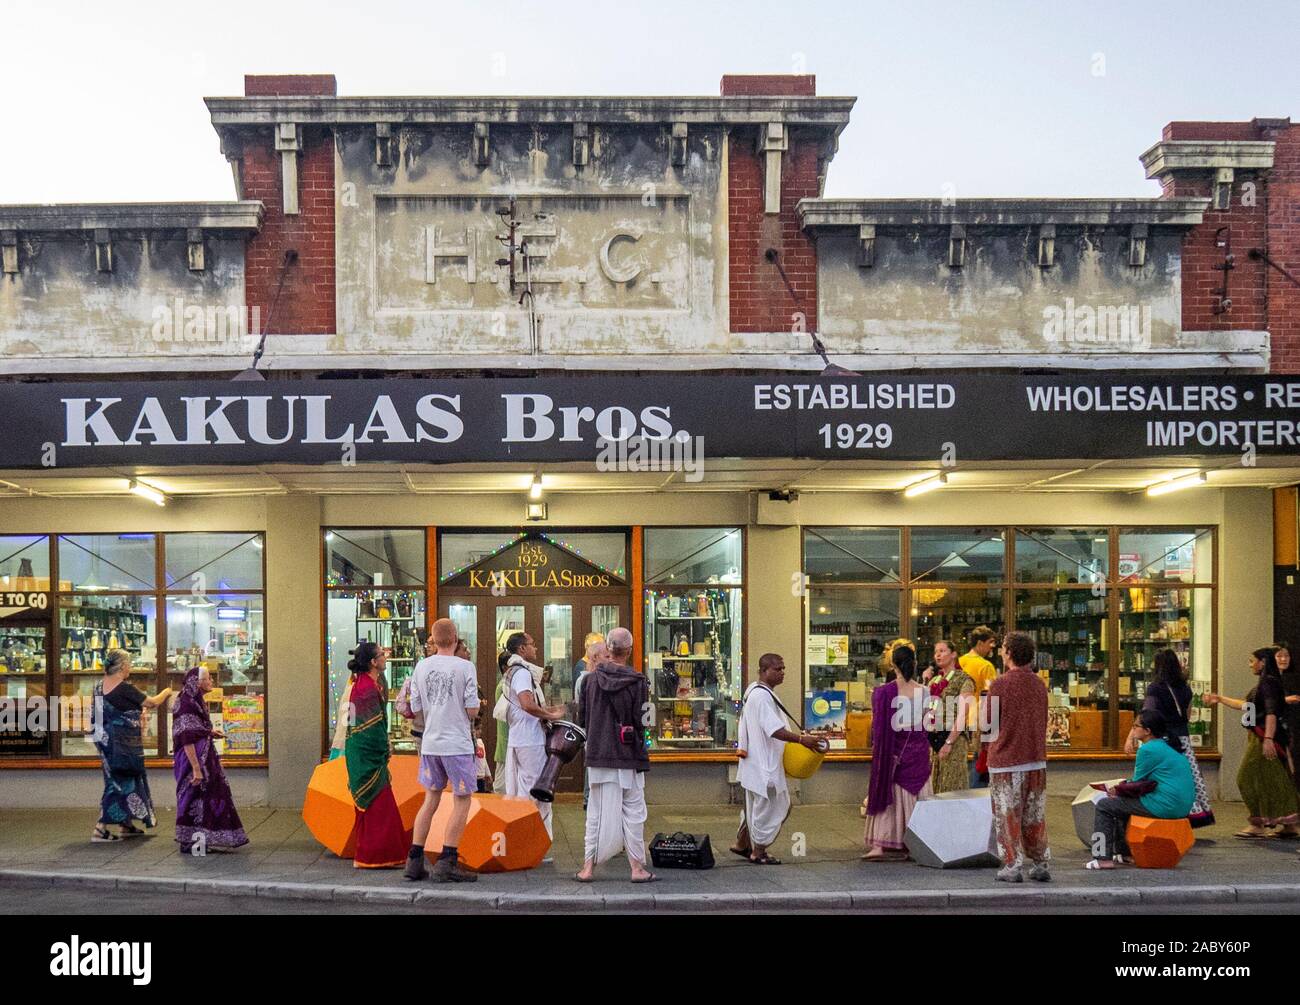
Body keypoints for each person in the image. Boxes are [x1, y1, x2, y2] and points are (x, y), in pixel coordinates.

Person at [575, 627, 655, 882]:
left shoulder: (589, 681)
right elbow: (645, 720)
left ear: (608, 649)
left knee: (595, 812)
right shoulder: (638, 681)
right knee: (633, 811)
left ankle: (587, 867)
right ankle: (636, 868)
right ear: (628, 651)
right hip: (627, 754)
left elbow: (582, 718)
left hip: (598, 753)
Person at [405, 618, 481, 882]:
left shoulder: (421, 667)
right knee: (462, 800)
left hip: (430, 742)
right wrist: (475, 705)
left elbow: (414, 708)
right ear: (456, 638)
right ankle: (448, 860)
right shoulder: (465, 667)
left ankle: (414, 860)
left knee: (431, 798)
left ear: (434, 640)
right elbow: (471, 710)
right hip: (456, 743)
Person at [731, 652, 823, 865]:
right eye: (777, 669)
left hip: (754, 762)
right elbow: (774, 730)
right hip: (765, 765)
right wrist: (802, 739)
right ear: (763, 671)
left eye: (783, 669)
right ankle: (759, 851)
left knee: (754, 805)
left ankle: (742, 843)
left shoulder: (753, 692)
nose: (782, 673)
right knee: (777, 806)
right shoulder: (762, 697)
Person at [1205, 647, 1299, 838]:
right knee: (1276, 778)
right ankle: (1289, 824)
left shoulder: (1268, 684)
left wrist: (1267, 739)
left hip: (1264, 737)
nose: (1250, 665)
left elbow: (1271, 712)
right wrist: (1221, 699)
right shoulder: (1269, 683)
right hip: (1264, 736)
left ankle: (1258, 823)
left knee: (1246, 778)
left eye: (1252, 661)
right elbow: (1247, 706)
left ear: (1262, 662)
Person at [1085, 710, 1195, 869]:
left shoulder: (1148, 749)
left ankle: (1102, 858)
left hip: (1165, 804)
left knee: (1105, 806)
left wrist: (1116, 789)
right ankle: (1125, 854)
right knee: (1122, 804)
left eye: (1136, 726)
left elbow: (1137, 783)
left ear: (1147, 731)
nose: (1133, 729)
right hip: (1181, 805)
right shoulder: (1167, 746)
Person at [987, 630, 1051, 883]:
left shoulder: (1000, 684)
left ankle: (1012, 864)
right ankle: (1040, 861)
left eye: (1003, 647)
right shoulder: (1039, 684)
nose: (1001, 651)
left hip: (1006, 759)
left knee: (1007, 814)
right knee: (1035, 814)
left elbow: (989, 723)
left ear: (1010, 652)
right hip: (1036, 758)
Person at [90, 650, 172, 842]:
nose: (131, 668)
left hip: (106, 742)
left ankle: (125, 824)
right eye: (130, 664)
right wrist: (167, 692)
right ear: (123, 666)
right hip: (123, 744)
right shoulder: (124, 688)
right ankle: (100, 829)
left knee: (125, 779)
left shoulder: (99, 687)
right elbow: (151, 703)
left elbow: (96, 717)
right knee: (119, 783)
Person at [1127, 649, 1214, 828]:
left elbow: (1147, 714)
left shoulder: (1155, 688)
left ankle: (1161, 811)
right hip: (1183, 738)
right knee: (1188, 776)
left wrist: (1131, 737)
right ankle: (1193, 814)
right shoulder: (1186, 688)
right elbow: (1188, 715)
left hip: (1163, 739)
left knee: (1161, 777)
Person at [863, 644, 933, 862]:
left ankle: (879, 845)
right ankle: (915, 843)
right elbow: (926, 722)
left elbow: (878, 725)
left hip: (892, 752)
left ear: (893, 665)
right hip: (918, 750)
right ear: (914, 664)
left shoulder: (883, 692)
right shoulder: (925, 691)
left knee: (888, 794)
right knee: (917, 796)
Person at [344, 641, 409, 869]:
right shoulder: (366, 690)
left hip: (360, 753)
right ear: (373, 662)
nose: (386, 657)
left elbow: (349, 723)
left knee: (379, 808)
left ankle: (377, 854)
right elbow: (369, 728)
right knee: (379, 808)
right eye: (382, 654)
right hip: (367, 755)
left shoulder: (364, 685)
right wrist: (384, 747)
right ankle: (375, 856)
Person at [172, 666, 249, 854]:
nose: (211, 682)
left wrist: (209, 732)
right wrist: (196, 768)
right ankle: (190, 840)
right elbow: (186, 738)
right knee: (194, 795)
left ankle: (202, 838)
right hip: (195, 760)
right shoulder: (186, 703)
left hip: (204, 757)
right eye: (208, 679)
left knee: (209, 795)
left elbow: (194, 730)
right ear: (197, 683)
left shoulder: (195, 701)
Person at [502, 631, 565, 838]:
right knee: (538, 788)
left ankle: (523, 836)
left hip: (519, 737)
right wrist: (550, 715)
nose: (536, 648)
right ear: (522, 649)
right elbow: (527, 704)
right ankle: (536, 838)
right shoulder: (521, 673)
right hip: (529, 739)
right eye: (532, 644)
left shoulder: (512, 670)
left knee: (523, 789)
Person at [928, 639, 977, 795]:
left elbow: (963, 714)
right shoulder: (933, 681)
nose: (938, 655)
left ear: (954, 654)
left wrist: (949, 741)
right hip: (933, 738)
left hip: (953, 738)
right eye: (936, 652)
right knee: (934, 783)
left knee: (952, 783)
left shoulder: (964, 679)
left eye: (942, 651)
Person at [574, 634, 608, 809]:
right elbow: (583, 707)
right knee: (592, 765)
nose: (610, 659)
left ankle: (591, 798)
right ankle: (589, 798)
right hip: (593, 731)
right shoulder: (586, 679)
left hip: (595, 732)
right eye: (607, 656)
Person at [961, 626, 998, 789]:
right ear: (979, 643)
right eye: (990, 642)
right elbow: (990, 697)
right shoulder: (986, 666)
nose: (993, 646)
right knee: (980, 763)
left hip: (958, 720)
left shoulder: (959, 662)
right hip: (978, 721)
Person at [492, 650, 511, 794]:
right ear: (505, 667)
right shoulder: (503, 687)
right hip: (506, 743)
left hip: (510, 743)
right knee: (501, 786)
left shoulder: (508, 685)